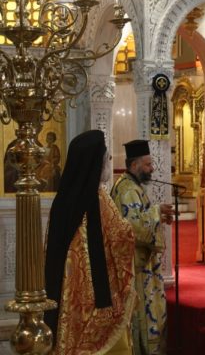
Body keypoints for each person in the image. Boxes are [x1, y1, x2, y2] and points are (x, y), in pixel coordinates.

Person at [44, 130, 136, 355]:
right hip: (96, 292)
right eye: (105, 158)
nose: (108, 161)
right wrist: (130, 230)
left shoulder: (62, 199)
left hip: (66, 289)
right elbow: (121, 237)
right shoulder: (99, 198)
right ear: (95, 163)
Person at [111, 139, 174, 355]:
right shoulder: (127, 190)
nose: (152, 169)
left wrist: (158, 215)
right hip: (136, 266)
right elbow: (134, 228)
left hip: (141, 262)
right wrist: (156, 212)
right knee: (142, 315)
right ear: (134, 165)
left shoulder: (132, 186)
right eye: (147, 165)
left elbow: (140, 216)